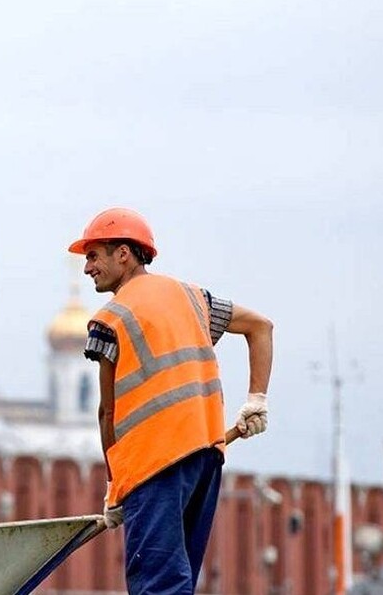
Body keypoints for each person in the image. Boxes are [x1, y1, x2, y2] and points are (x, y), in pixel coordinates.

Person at [69, 207, 274, 594]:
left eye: (94, 255)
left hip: (154, 465)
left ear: (124, 254)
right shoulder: (194, 298)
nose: (87, 268)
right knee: (178, 579)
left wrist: (115, 490)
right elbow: (261, 327)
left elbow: (107, 412)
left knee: (159, 584)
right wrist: (256, 400)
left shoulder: (108, 320)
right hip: (205, 457)